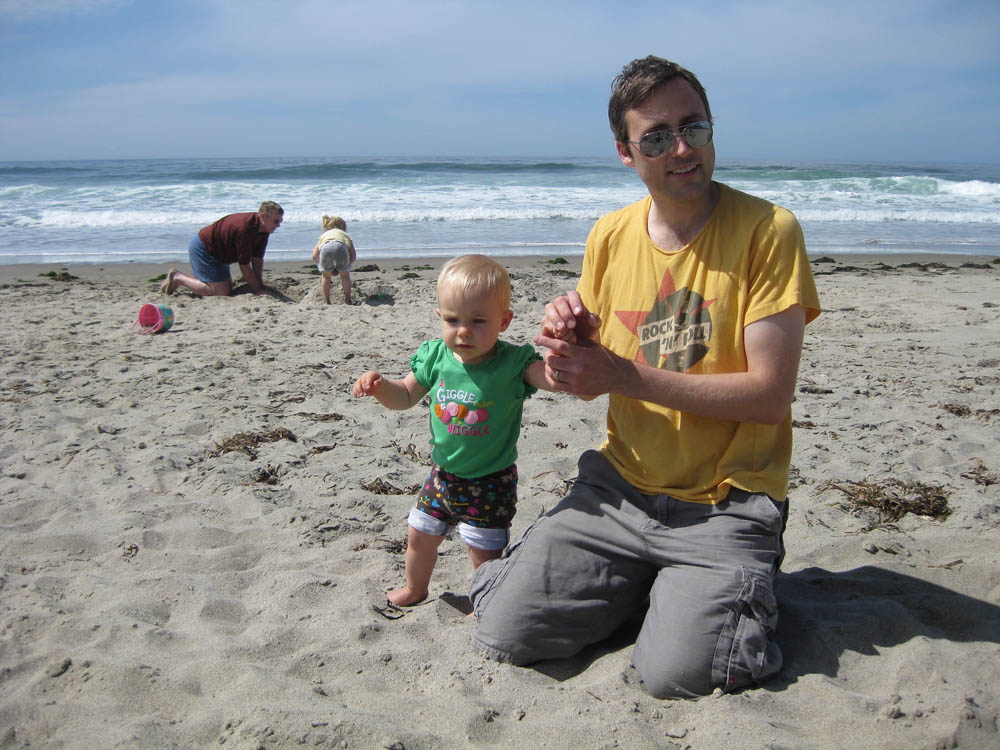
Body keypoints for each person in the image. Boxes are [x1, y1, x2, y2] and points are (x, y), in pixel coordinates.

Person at [469, 56, 821, 699]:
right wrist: (568, 339)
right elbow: (588, 371)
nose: (681, 149)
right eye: (655, 137)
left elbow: (770, 397)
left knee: (676, 676)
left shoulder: (769, 231)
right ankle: (650, 586)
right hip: (618, 489)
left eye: (694, 127)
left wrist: (623, 376)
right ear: (626, 153)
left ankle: (707, 590)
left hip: (727, 500)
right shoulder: (610, 234)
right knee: (502, 632)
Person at [352, 254, 554, 607]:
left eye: (478, 321)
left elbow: (551, 379)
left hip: (490, 481)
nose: (463, 331)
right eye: (452, 320)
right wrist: (381, 387)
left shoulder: (513, 363)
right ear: (439, 317)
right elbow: (405, 396)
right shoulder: (435, 357)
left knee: (483, 553)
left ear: (504, 321)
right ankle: (415, 588)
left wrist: (562, 355)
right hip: (442, 475)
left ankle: (484, 603)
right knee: (419, 534)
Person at [162, 201, 284, 296]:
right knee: (222, 291)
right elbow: (244, 265)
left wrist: (260, 285)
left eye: (280, 221)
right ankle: (178, 278)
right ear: (263, 217)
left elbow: (257, 259)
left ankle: (187, 280)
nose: (278, 225)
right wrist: (257, 289)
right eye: (276, 221)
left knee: (226, 286)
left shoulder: (264, 230)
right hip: (205, 248)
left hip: (220, 255)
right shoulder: (246, 229)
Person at [311, 215, 356, 304]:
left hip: (326, 247)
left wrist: (321, 265)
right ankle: (347, 299)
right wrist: (347, 265)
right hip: (341, 247)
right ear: (343, 227)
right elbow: (353, 255)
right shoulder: (345, 235)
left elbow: (314, 255)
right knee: (345, 276)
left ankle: (326, 300)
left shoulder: (324, 235)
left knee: (326, 277)